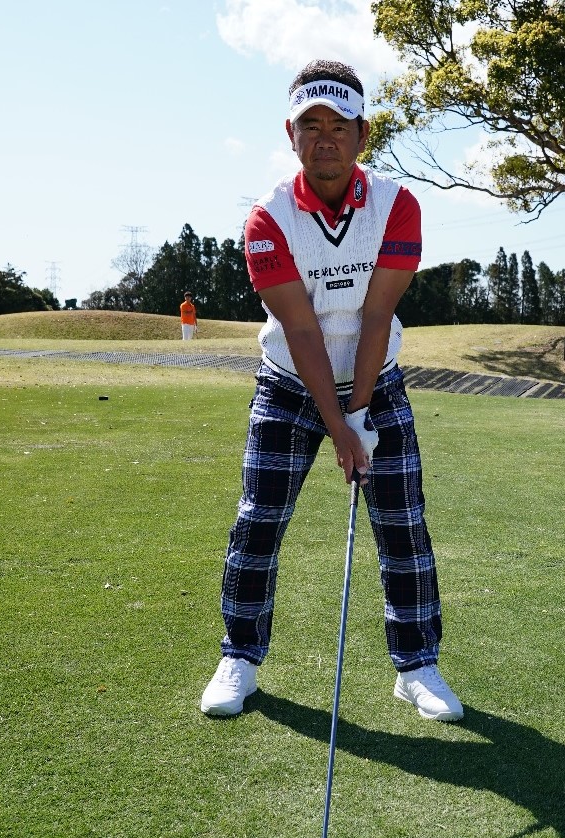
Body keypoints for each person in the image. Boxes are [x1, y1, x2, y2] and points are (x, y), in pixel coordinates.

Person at [200, 59, 462, 723]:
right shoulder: (267, 220)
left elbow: (376, 316)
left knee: (402, 525)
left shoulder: (396, 205)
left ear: (361, 133)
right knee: (258, 521)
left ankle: (416, 665)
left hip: (379, 382)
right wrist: (340, 427)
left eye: (338, 124)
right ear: (290, 135)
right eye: (309, 124)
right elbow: (302, 329)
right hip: (290, 384)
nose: (325, 137)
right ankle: (240, 655)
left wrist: (362, 410)